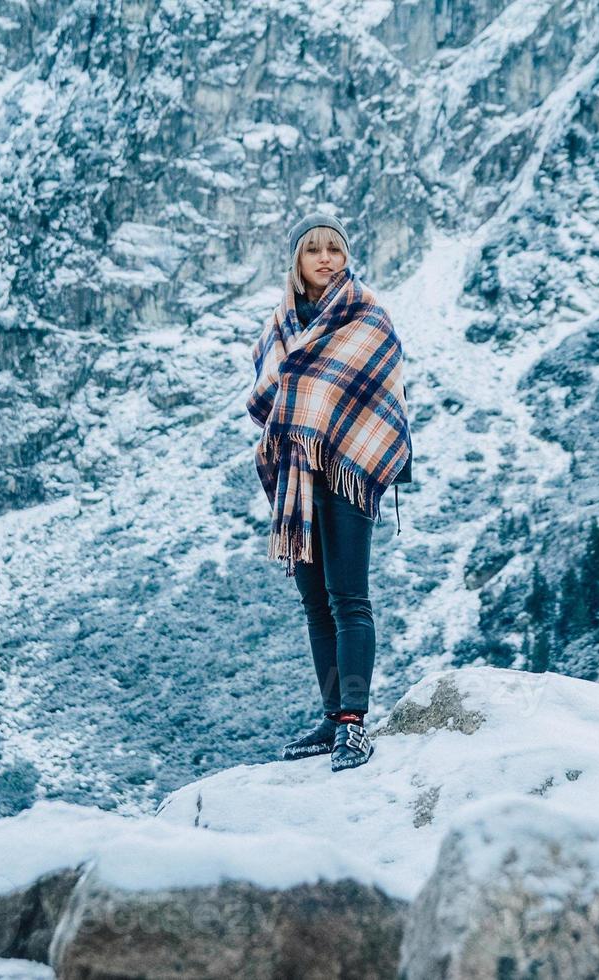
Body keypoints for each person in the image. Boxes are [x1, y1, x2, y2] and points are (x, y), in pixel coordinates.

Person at [245, 212, 413, 773]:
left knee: (349, 599)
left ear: (346, 257)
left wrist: (318, 422)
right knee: (315, 604)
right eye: (313, 250)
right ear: (297, 260)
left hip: (347, 472)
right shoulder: (278, 326)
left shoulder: (368, 316)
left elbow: (382, 392)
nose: (325, 259)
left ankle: (354, 723)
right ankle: (330, 715)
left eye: (334, 250)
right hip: (299, 476)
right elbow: (268, 395)